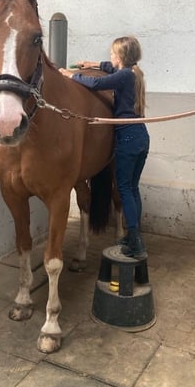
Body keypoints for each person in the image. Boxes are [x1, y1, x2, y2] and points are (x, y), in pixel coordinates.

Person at [59, 36, 150, 259]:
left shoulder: (124, 76)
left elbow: (97, 84)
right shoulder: (133, 73)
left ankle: (135, 243)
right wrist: (94, 65)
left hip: (127, 138)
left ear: (120, 57)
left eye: (112, 54)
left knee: (125, 190)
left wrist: (72, 75)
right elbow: (109, 68)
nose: (109, 58)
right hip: (140, 136)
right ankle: (133, 235)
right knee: (133, 189)